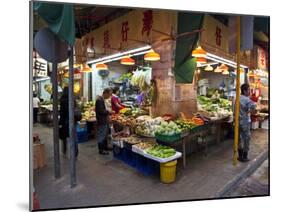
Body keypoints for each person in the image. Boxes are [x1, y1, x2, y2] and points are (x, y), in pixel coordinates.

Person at [237, 83, 257, 162]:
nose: (250, 91)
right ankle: (244, 156)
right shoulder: (247, 100)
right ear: (245, 91)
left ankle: (239, 156)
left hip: (237, 122)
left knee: (238, 139)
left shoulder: (236, 98)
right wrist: (251, 111)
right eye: (249, 90)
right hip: (245, 122)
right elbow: (254, 110)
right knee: (246, 139)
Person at [59, 87, 81, 158]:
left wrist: (61, 122)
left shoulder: (62, 100)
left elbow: (62, 112)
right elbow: (75, 109)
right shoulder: (72, 99)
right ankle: (75, 152)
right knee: (74, 136)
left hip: (65, 120)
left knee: (64, 136)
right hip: (72, 120)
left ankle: (64, 150)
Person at [95, 88, 112, 155]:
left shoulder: (102, 99)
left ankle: (105, 147)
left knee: (105, 134)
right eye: (109, 94)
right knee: (101, 135)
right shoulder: (99, 100)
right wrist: (108, 111)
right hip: (102, 120)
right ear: (105, 93)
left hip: (104, 120)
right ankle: (101, 150)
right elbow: (101, 111)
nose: (109, 96)